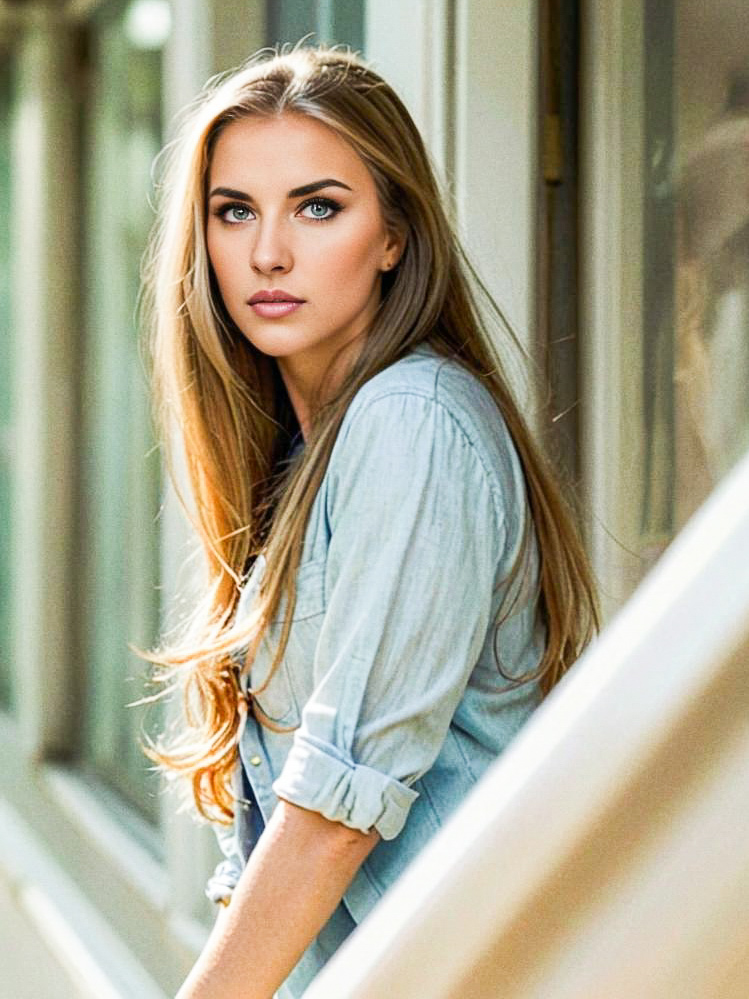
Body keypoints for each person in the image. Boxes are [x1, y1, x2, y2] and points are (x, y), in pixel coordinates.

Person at [140, 43, 598, 999]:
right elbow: (275, 833)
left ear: (393, 233)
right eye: (235, 212)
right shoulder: (306, 458)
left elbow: (338, 805)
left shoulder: (412, 421)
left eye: (318, 207)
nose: (268, 250)